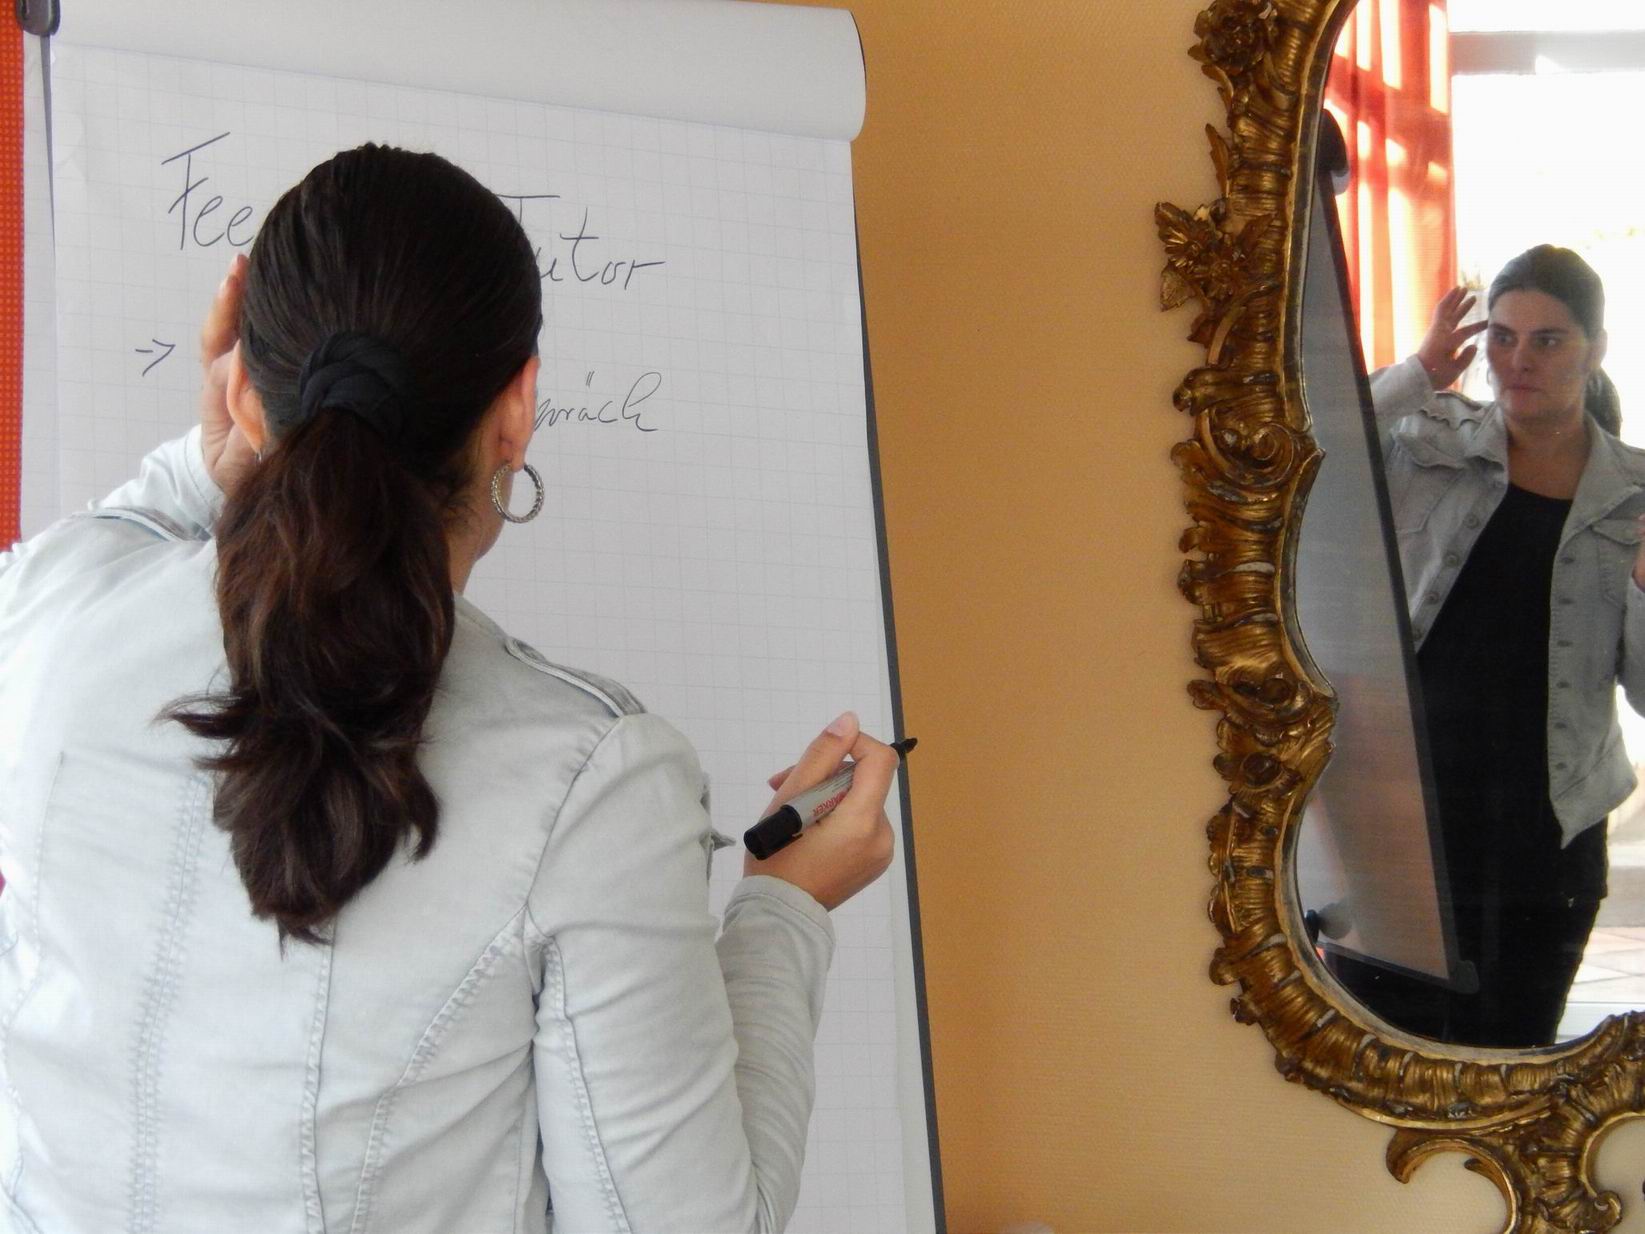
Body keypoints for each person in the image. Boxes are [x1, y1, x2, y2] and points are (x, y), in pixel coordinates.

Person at [0, 145, 898, 1232]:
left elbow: (121, 536)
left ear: (240, 392)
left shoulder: (44, 617)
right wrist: (786, 910)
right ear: (517, 410)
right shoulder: (591, 783)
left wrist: (227, 454)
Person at [1328, 245, 1645, 1048]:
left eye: (1547, 340)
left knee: (1511, 1061)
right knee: (1368, 1054)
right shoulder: (1427, 439)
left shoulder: (1635, 497)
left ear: (1595, 349)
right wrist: (1418, 372)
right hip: (1400, 815)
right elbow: (1298, 452)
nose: (1517, 360)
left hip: (1545, 833)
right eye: (1502, 336)